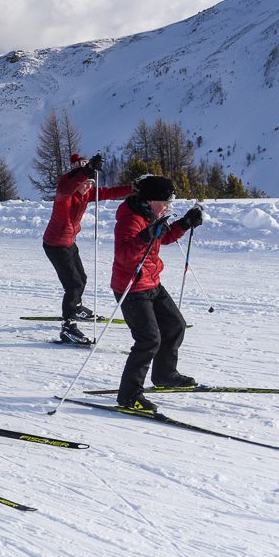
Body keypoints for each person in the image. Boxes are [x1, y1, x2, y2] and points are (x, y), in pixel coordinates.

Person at [111, 175, 204, 412]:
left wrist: (184, 223)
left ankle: (164, 374)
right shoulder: (130, 220)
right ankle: (129, 395)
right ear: (150, 200)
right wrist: (145, 235)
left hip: (152, 283)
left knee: (175, 326)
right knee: (148, 340)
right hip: (131, 288)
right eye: (165, 201)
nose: (168, 206)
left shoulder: (152, 215)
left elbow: (163, 238)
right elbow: (123, 254)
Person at [42, 152, 133, 345]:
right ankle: (68, 327)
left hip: (68, 242)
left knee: (81, 278)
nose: (88, 187)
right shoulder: (64, 196)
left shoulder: (87, 193)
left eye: (91, 184)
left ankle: (77, 308)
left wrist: (133, 189)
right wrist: (86, 171)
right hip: (55, 245)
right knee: (73, 285)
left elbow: (109, 192)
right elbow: (66, 187)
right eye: (85, 183)